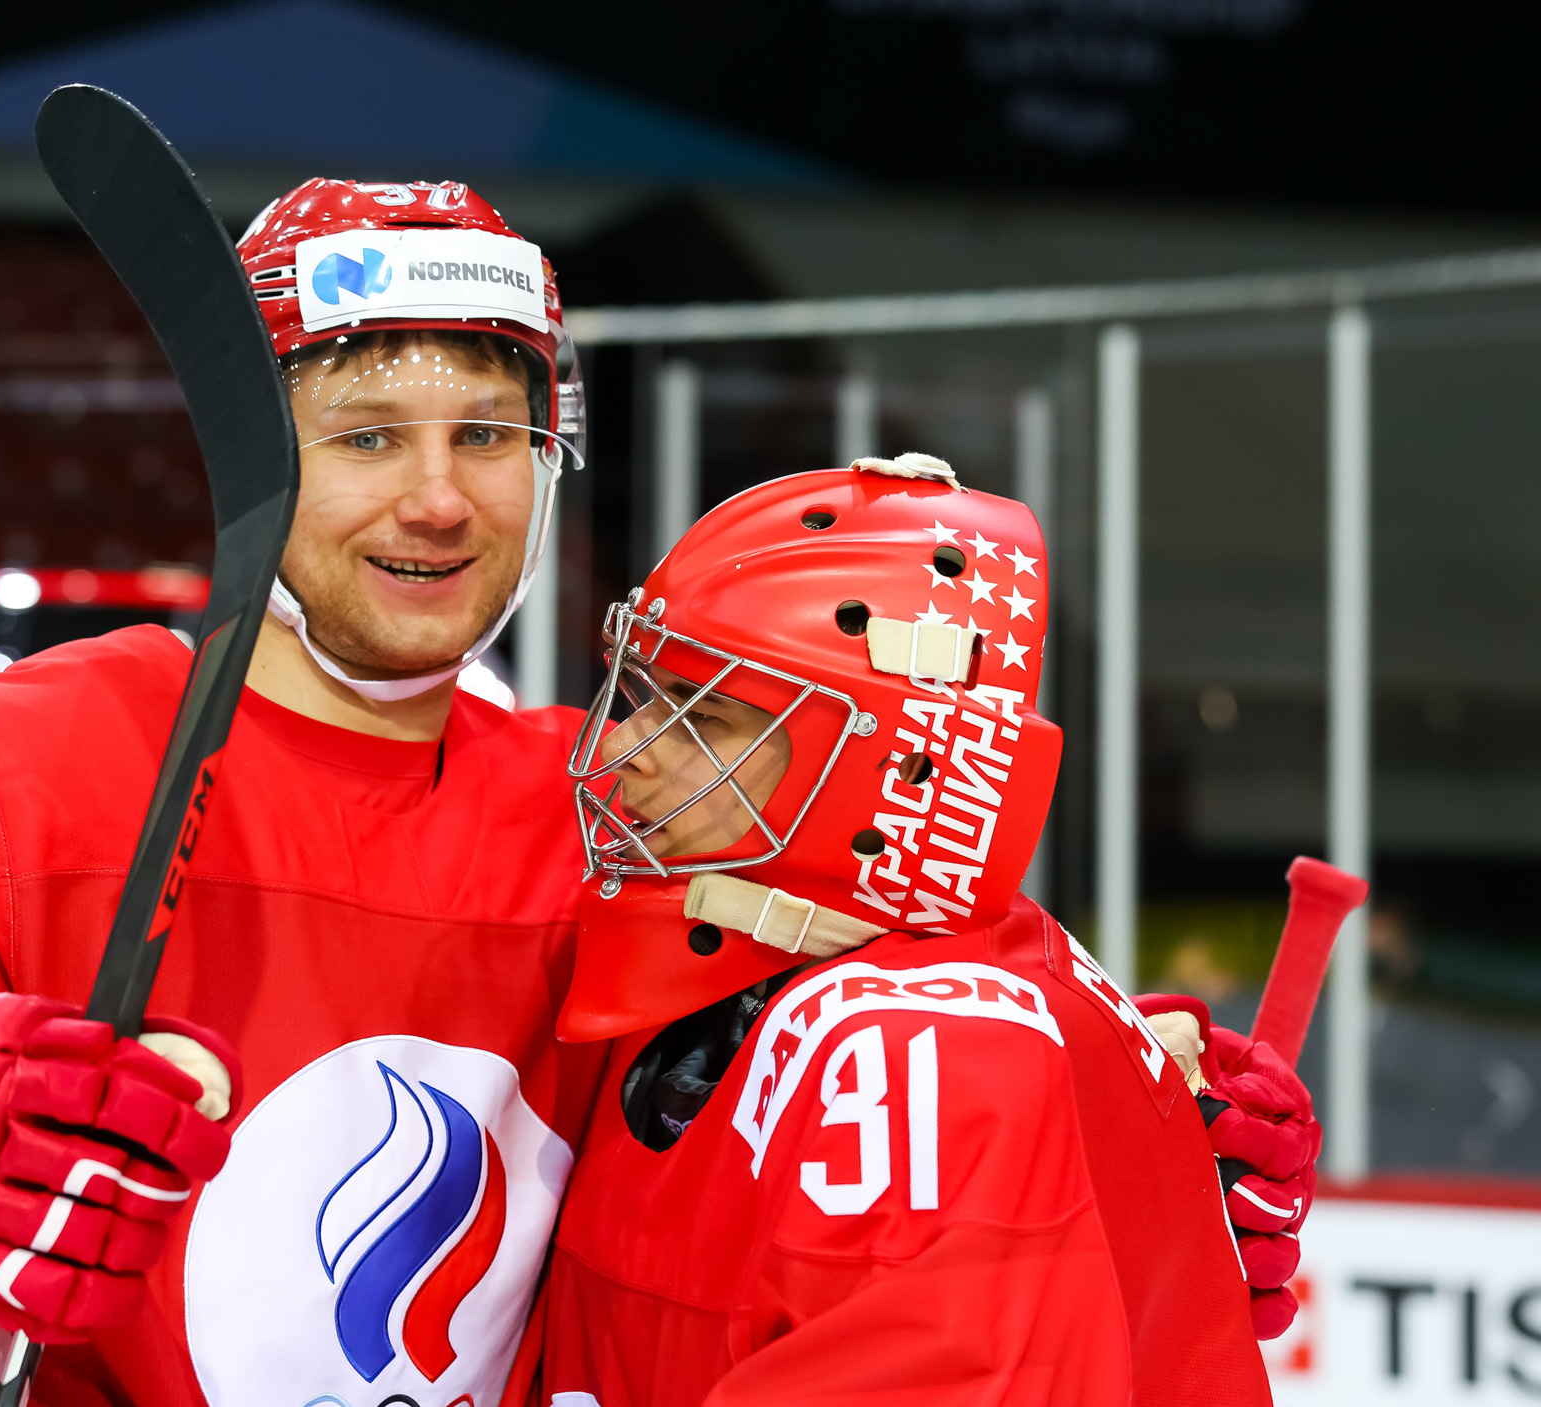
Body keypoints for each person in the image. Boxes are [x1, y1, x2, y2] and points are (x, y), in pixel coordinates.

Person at [0, 178, 613, 1407]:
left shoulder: (614, 818)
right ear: (241, 450)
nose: (441, 500)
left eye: (488, 436)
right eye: (366, 436)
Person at [535, 456, 1316, 1406]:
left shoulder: (928, 1068)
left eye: (707, 720)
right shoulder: (787, 973)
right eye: (648, 694)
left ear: (894, 768)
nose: (624, 747)